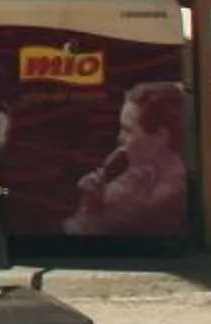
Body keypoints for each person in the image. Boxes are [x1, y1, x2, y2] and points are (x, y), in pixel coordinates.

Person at [65, 80, 189, 237]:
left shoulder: (166, 195)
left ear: (160, 136)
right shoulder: (140, 170)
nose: (119, 138)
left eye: (128, 130)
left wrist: (92, 207)